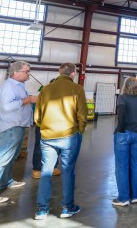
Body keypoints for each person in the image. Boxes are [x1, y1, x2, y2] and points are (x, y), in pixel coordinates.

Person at [34, 63, 87, 220]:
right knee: (68, 171)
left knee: (46, 172)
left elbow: (37, 117)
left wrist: (46, 128)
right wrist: (79, 131)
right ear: (73, 74)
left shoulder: (45, 89)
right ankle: (67, 207)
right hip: (69, 136)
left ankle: (41, 210)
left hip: (47, 137)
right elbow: (82, 115)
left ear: (59, 72)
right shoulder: (78, 89)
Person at [0, 61, 35, 206]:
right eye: (26, 71)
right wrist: (28, 100)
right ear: (16, 72)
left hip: (18, 126)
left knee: (11, 156)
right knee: (1, 159)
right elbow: (7, 106)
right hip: (11, 127)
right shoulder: (9, 86)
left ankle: (5, 181)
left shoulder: (19, 85)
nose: (28, 74)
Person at [112, 77, 137, 207]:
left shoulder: (122, 98)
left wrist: (120, 131)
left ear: (125, 86)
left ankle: (123, 198)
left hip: (124, 134)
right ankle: (134, 196)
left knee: (122, 166)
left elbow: (120, 117)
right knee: (135, 164)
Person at [32, 80, 61, 180]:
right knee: (40, 146)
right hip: (43, 125)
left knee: (56, 147)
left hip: (58, 126)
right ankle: (37, 168)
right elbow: (37, 112)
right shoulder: (44, 95)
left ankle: (54, 166)